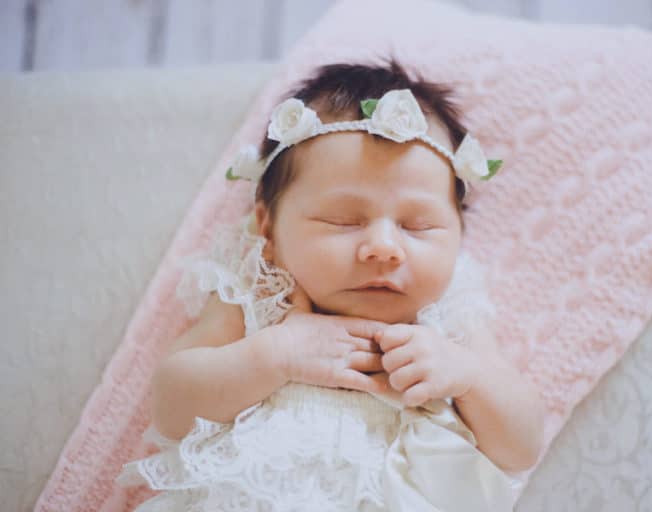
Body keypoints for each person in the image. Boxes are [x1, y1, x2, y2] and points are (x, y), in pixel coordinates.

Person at [116, 57, 546, 511]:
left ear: (458, 233)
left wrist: (467, 376)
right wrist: (274, 355)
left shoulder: (448, 319)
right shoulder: (263, 293)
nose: (383, 247)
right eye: (343, 221)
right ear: (266, 228)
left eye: (418, 226)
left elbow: (521, 446)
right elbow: (172, 408)